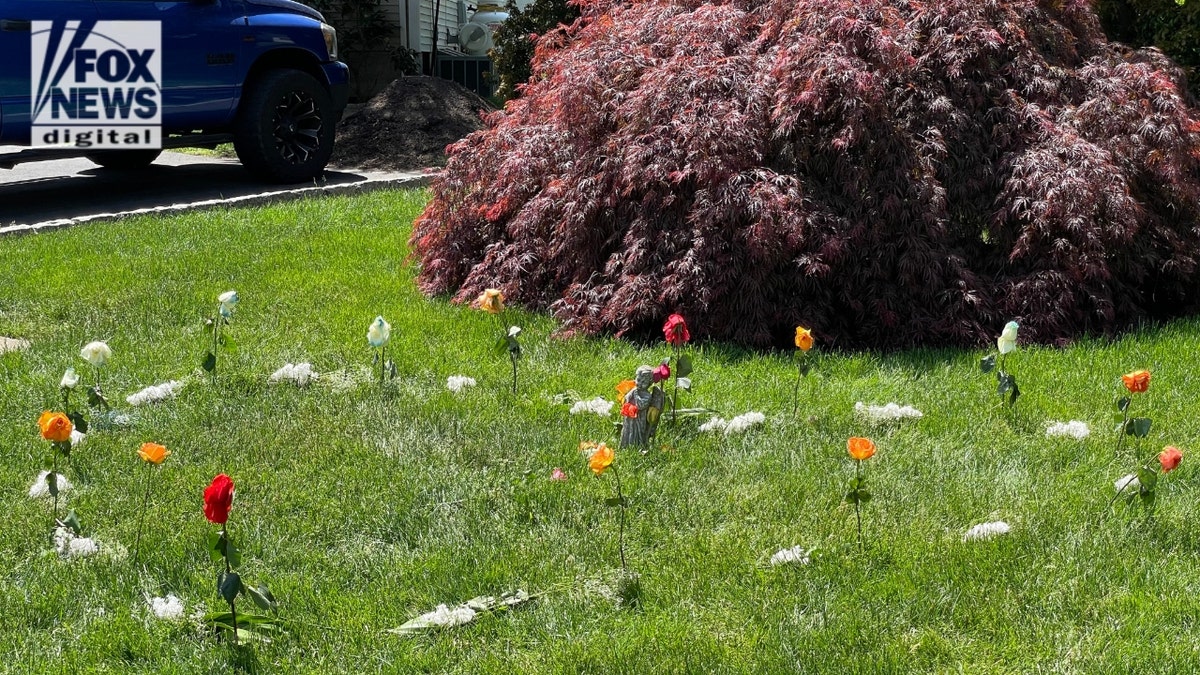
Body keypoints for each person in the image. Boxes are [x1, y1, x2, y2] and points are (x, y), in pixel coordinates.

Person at [620, 365, 665, 448]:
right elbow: (626, 398)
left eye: (643, 382)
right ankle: (625, 445)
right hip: (630, 417)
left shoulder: (647, 395)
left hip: (639, 419)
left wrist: (636, 395)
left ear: (649, 383)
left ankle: (637, 446)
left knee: (636, 433)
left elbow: (640, 405)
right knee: (627, 430)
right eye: (638, 380)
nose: (639, 384)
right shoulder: (633, 390)